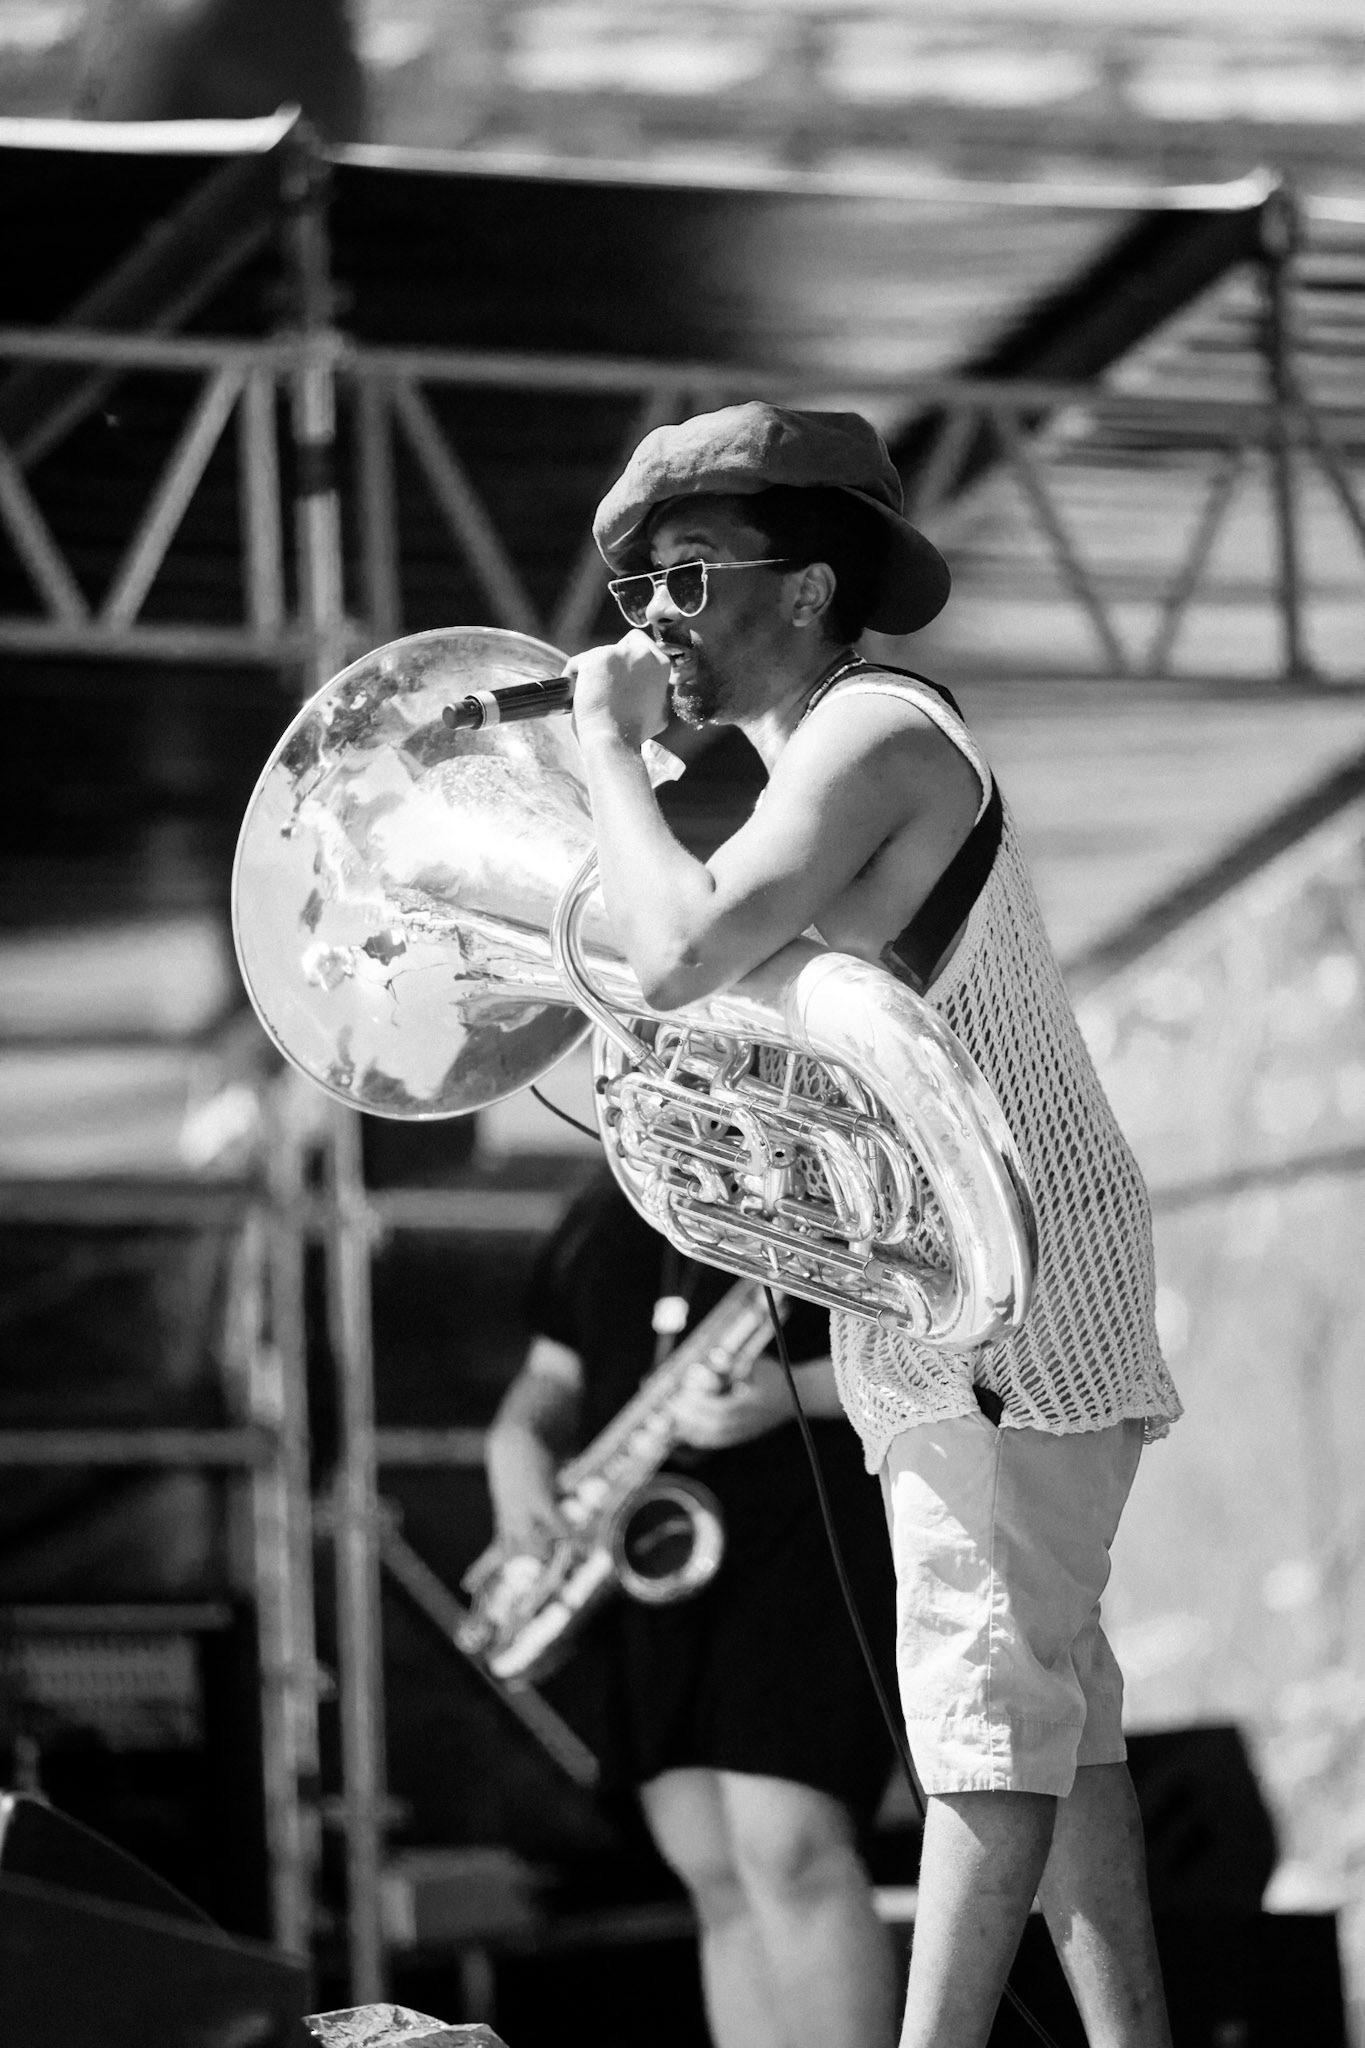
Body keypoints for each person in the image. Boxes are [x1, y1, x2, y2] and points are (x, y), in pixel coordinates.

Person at [561, 401, 1185, 2048]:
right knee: (1056, 1717)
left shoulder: (872, 732)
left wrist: (603, 755)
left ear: (813, 586)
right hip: (964, 1285)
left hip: (1004, 1290)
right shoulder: (814, 761)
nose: (653, 619)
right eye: (641, 585)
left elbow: (677, 951)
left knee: (981, 1710)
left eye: (689, 575)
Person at [485, 1166, 900, 2048]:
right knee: (710, 1870)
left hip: (802, 1537)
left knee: (789, 1849)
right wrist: (513, 1443)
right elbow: (552, 1372)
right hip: (648, 1555)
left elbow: (946, 1354)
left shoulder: (828, 1166)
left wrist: (789, 1394)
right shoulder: (606, 1197)